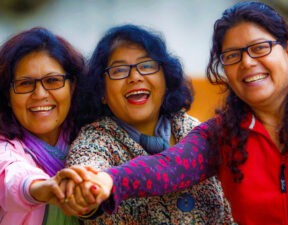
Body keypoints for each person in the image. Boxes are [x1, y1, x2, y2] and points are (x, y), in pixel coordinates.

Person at [65, 2, 288, 225]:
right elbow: (169, 167)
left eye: (260, 48)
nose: (247, 62)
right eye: (232, 55)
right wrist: (107, 181)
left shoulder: (187, 125)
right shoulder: (221, 135)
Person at [65, 24, 234, 224]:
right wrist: (88, 187)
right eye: (119, 70)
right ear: (101, 91)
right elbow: (87, 169)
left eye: (146, 66)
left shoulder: (193, 128)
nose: (135, 77)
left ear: (165, 79)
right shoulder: (94, 141)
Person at [0, 27, 95, 225]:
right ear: (7, 96)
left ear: (73, 86)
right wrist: (43, 188)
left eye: (52, 80)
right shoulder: (6, 150)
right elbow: (10, 179)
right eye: (25, 84)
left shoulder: (93, 136)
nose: (40, 94)